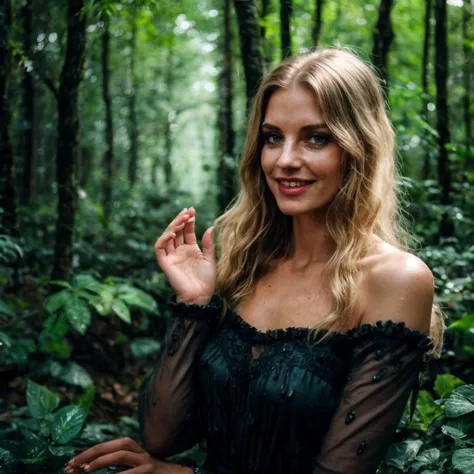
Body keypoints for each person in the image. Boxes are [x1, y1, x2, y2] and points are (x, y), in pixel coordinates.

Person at [65, 48, 444, 474]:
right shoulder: (243, 262)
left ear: (359, 148)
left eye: (317, 138)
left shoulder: (395, 280)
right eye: (273, 137)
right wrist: (194, 303)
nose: (284, 160)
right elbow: (161, 436)